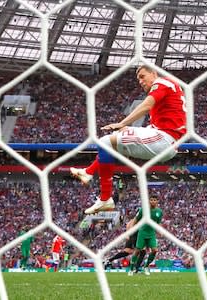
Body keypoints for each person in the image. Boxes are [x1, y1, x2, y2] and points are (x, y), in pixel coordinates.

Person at [71, 65, 186, 214]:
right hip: (165, 139)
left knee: (106, 142)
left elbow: (146, 105)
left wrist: (123, 123)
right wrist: (130, 130)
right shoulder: (169, 89)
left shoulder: (162, 83)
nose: (140, 81)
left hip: (165, 140)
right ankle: (89, 173)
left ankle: (104, 196)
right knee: (108, 143)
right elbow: (163, 123)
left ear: (154, 73)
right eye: (138, 79)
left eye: (143, 76)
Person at [127, 194, 163, 276]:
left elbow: (158, 223)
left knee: (155, 250)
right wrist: (131, 229)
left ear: (157, 201)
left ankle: (146, 267)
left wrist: (160, 231)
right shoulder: (143, 210)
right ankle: (131, 269)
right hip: (142, 232)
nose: (153, 201)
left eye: (155, 200)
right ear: (149, 201)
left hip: (151, 233)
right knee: (137, 251)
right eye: (151, 200)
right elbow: (135, 219)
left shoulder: (159, 212)